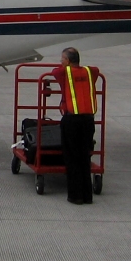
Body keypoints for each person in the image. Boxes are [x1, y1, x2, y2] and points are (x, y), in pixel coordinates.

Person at [47, 47, 99, 204]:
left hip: (72, 121)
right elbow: (95, 69)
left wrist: (65, 67)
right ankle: (87, 196)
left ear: (68, 61)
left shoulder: (64, 73)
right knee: (85, 157)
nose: (60, 61)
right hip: (89, 121)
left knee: (72, 158)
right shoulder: (90, 72)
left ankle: (75, 196)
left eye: (62, 59)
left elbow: (55, 71)